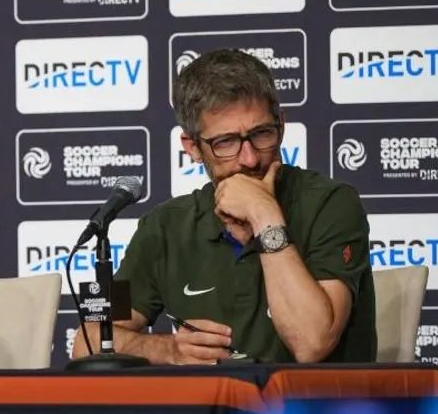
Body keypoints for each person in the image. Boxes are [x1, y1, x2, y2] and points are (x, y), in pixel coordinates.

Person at [72, 49, 376, 364]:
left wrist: (264, 215)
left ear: (281, 126)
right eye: (226, 142)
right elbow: (88, 341)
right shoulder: (164, 227)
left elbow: (311, 344)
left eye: (262, 134)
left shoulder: (331, 203)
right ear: (192, 148)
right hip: (208, 411)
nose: (250, 159)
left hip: (311, 411)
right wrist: (168, 350)